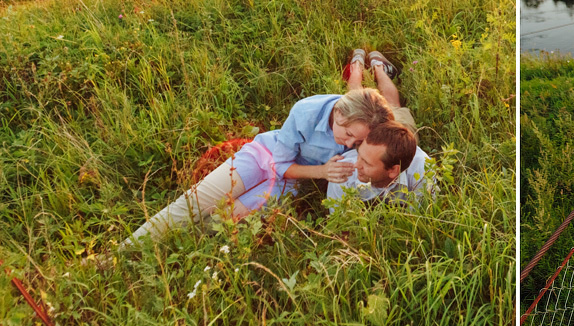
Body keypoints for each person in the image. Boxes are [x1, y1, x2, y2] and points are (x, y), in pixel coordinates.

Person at [122, 86, 393, 246]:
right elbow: (280, 163)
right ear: (338, 113)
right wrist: (322, 172)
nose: (349, 144)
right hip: (265, 156)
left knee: (220, 222)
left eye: (357, 141)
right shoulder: (306, 111)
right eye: (347, 135)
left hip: (292, 182)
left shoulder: (365, 128)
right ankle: (119, 253)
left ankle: (157, 247)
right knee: (194, 203)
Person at [326, 120, 432, 205]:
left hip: (402, 128)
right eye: (359, 155)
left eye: (367, 163)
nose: (356, 165)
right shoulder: (343, 173)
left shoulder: (423, 170)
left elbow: (422, 220)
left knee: (402, 117)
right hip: (388, 120)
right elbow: (341, 227)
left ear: (394, 170)